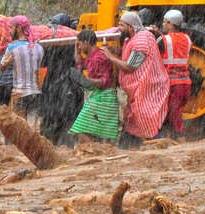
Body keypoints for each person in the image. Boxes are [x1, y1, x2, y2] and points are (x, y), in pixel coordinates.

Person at [102, 11, 170, 148]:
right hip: (140, 90)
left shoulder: (141, 41)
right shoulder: (132, 39)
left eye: (121, 25)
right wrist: (114, 50)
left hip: (149, 89)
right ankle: (125, 147)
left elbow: (130, 66)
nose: (119, 28)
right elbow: (128, 54)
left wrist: (110, 56)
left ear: (131, 27)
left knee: (145, 119)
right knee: (132, 120)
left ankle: (162, 146)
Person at [68, 29, 120, 145]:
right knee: (105, 135)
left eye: (80, 44)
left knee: (79, 128)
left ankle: (94, 149)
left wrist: (85, 79)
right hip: (102, 96)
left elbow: (104, 82)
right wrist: (76, 47)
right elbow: (80, 62)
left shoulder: (98, 58)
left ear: (86, 43)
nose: (80, 47)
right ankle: (100, 153)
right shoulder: (93, 56)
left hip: (104, 98)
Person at [39, 13, 83, 146]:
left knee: (50, 120)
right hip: (69, 85)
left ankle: (48, 146)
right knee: (69, 121)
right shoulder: (74, 42)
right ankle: (67, 146)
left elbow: (42, 63)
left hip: (53, 84)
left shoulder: (50, 42)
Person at [0, 15, 43, 120]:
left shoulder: (12, 47)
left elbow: (2, 67)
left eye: (11, 27)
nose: (10, 31)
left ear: (18, 29)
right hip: (36, 94)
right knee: (31, 128)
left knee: (20, 129)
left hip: (19, 94)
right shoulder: (39, 48)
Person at [159, 9, 192, 138]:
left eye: (164, 22)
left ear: (170, 25)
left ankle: (179, 137)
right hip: (185, 83)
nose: (163, 24)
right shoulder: (187, 39)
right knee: (174, 111)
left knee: (173, 113)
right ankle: (170, 136)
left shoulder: (164, 40)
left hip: (172, 84)